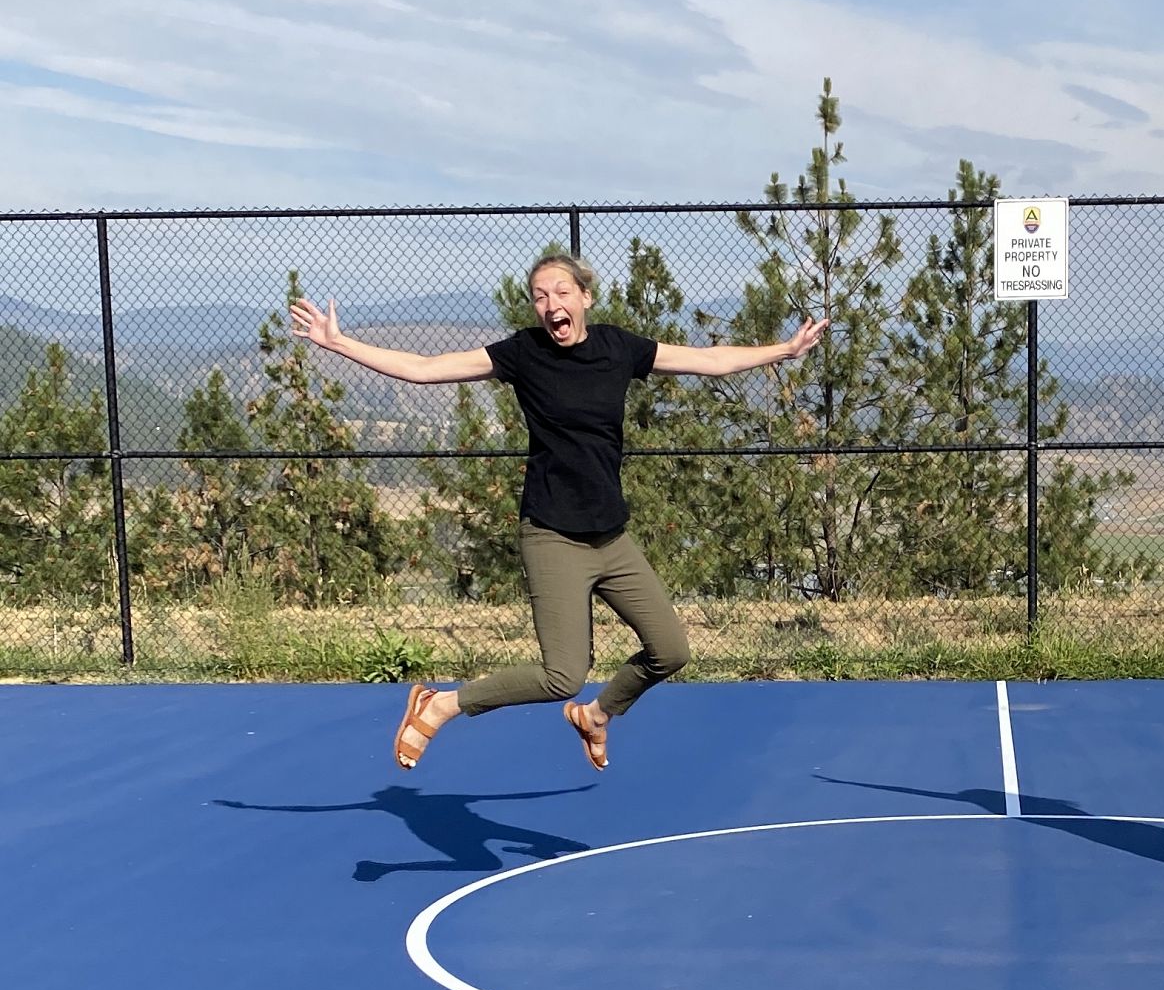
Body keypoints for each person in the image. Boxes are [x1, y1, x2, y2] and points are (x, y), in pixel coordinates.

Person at [289, 252, 825, 771]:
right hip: (552, 535)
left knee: (670, 650)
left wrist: (784, 349)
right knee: (560, 676)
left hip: (611, 538)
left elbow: (708, 361)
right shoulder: (523, 353)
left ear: (586, 298)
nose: (551, 305)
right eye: (540, 297)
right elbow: (424, 369)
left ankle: (595, 716)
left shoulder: (619, 347)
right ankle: (440, 704)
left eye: (562, 292)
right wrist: (339, 343)